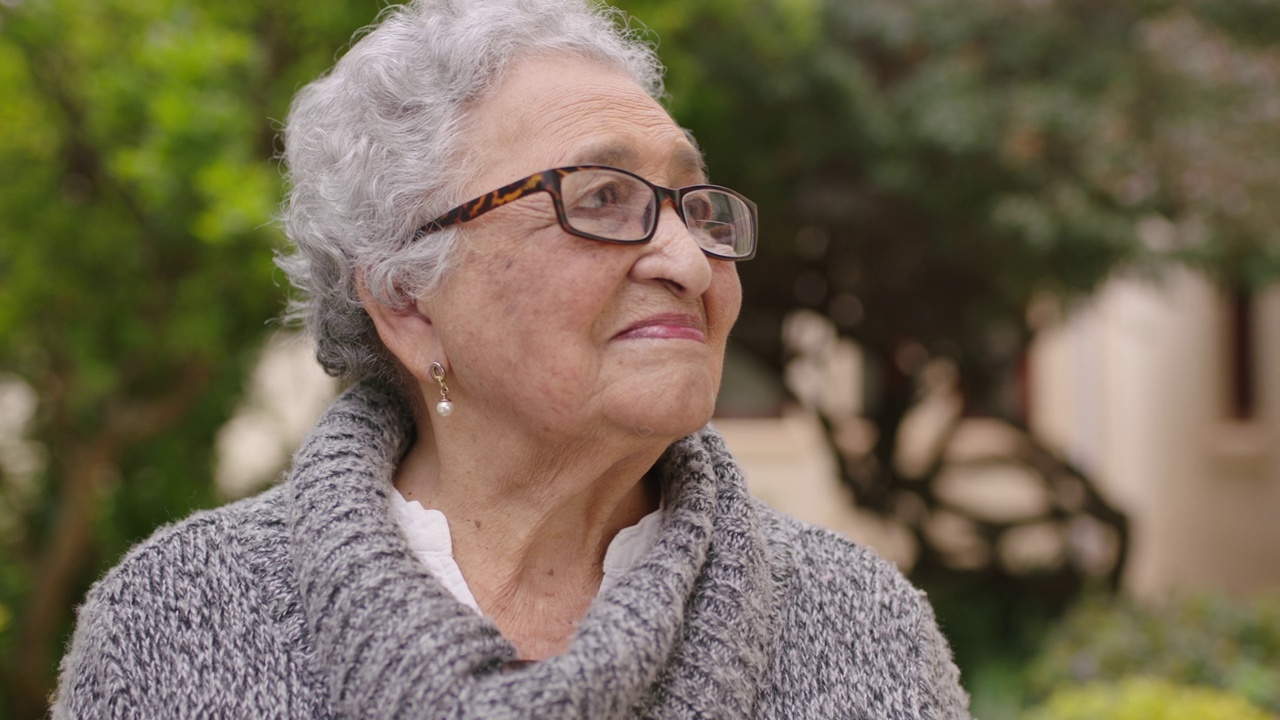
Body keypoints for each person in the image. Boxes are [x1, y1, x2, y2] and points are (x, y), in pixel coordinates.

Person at [54, 0, 970, 716]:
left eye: (697, 207)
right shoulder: (181, 621)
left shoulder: (861, 626)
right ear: (409, 303)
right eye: (601, 198)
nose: (691, 263)